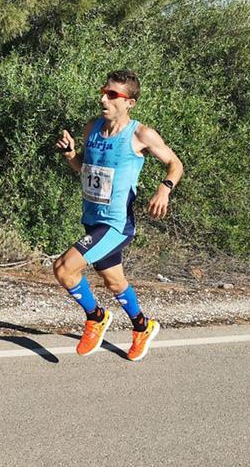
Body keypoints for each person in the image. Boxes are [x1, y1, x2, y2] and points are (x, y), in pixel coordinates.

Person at [54, 69, 183, 362]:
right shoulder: (92, 128)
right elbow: (84, 169)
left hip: (116, 225)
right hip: (92, 219)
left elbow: (175, 164)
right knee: (114, 283)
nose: (103, 98)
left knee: (64, 268)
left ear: (129, 103)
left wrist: (164, 189)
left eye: (112, 94)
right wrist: (70, 154)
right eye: (104, 91)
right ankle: (143, 326)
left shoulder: (140, 134)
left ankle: (96, 316)